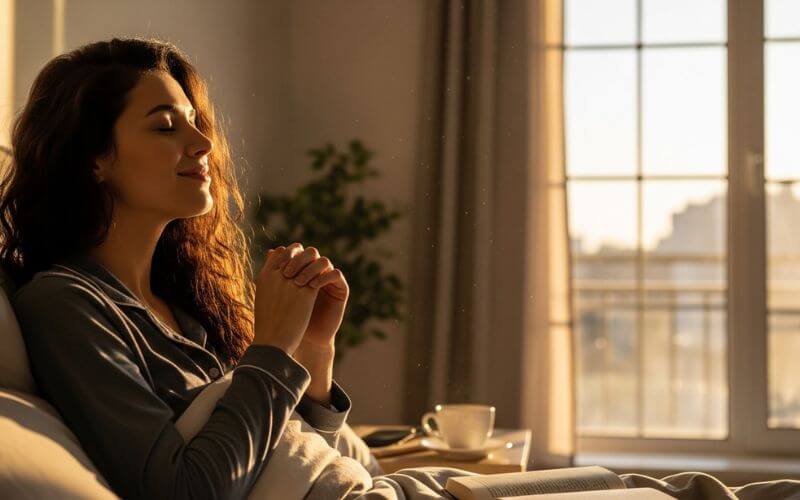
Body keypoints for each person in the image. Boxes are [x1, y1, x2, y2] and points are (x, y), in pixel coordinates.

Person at [0, 37, 356, 499]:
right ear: (94, 159)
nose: (204, 142)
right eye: (167, 127)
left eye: (193, 121)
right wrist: (273, 351)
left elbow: (290, 468)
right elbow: (187, 491)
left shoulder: (187, 308)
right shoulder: (66, 305)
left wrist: (312, 351)